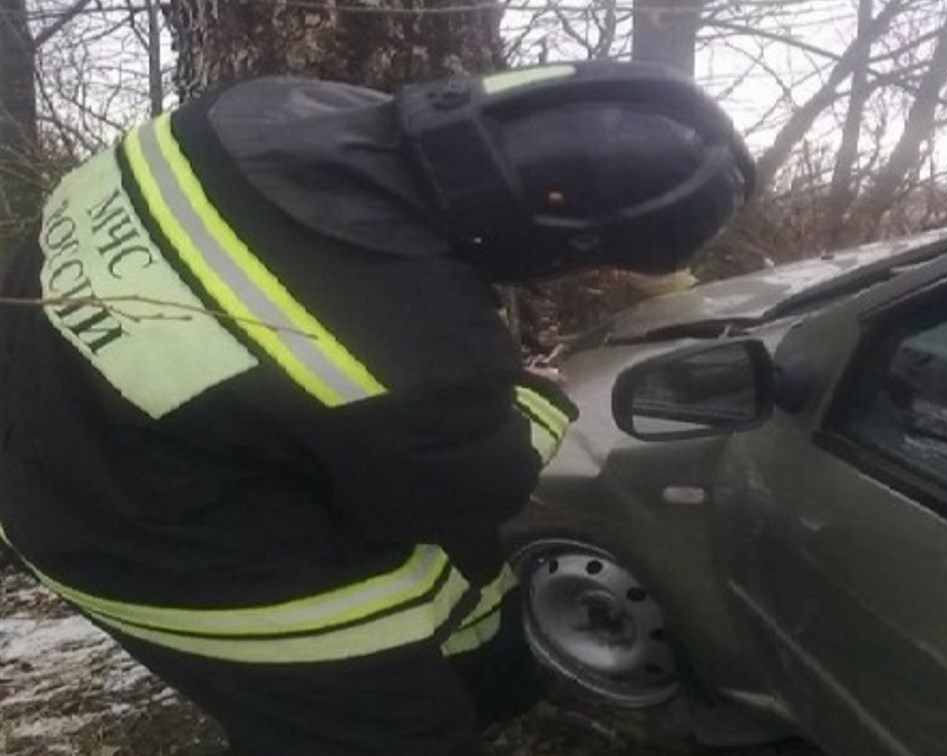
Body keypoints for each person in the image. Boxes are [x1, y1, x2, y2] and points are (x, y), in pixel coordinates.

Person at [0, 61, 754, 756]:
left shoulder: (255, 110)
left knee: (448, 606)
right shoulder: (412, 344)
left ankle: (493, 687)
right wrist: (532, 399)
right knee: (381, 727)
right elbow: (452, 498)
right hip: (134, 537)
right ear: (558, 246)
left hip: (50, 416)